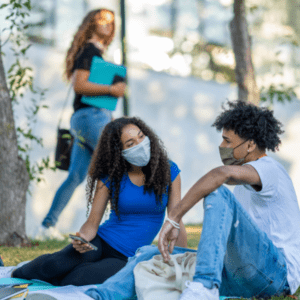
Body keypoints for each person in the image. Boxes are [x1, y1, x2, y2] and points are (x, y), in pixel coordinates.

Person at [81, 100, 300, 300]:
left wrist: (174, 218)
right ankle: (97, 296)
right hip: (240, 275)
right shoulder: (244, 186)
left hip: (276, 274)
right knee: (149, 255)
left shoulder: (270, 170)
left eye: (227, 140)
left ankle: (204, 288)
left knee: (217, 191)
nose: (222, 146)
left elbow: (219, 175)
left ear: (250, 145)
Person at [0, 117, 187, 286]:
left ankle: (51, 279)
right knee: (55, 264)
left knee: (79, 278)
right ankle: (12, 272)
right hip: (100, 241)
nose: (140, 144)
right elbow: (92, 222)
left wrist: (183, 261)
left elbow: (175, 219)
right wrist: (82, 238)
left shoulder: (169, 171)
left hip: (127, 257)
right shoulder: (110, 176)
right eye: (130, 143)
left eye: (141, 136)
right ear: (119, 152)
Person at [34, 8, 126, 240]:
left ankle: (46, 227)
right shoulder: (89, 51)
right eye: (102, 20)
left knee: (76, 176)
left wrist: (109, 113)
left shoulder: (96, 54)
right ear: (91, 23)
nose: (108, 24)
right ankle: (114, 226)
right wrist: (112, 89)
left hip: (90, 118)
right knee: (117, 164)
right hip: (90, 118)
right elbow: (80, 85)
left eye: (111, 21)